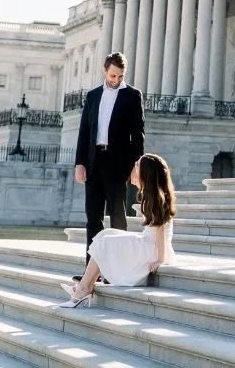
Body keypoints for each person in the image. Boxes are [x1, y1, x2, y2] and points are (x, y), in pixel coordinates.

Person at [60, 153, 175, 306]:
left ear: (146, 173)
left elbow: (160, 231)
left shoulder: (156, 198)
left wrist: (160, 259)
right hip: (148, 244)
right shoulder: (154, 193)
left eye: (137, 166)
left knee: (106, 242)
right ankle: (85, 286)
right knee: (105, 234)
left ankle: (83, 289)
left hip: (151, 250)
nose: (134, 168)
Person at [73, 51, 145, 256]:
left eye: (120, 76)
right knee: (93, 218)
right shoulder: (93, 95)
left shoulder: (132, 95)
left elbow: (137, 135)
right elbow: (84, 131)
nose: (116, 80)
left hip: (118, 164)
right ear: (106, 71)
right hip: (94, 161)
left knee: (117, 217)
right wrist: (80, 163)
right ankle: (91, 271)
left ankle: (116, 268)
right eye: (113, 76)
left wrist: (136, 166)